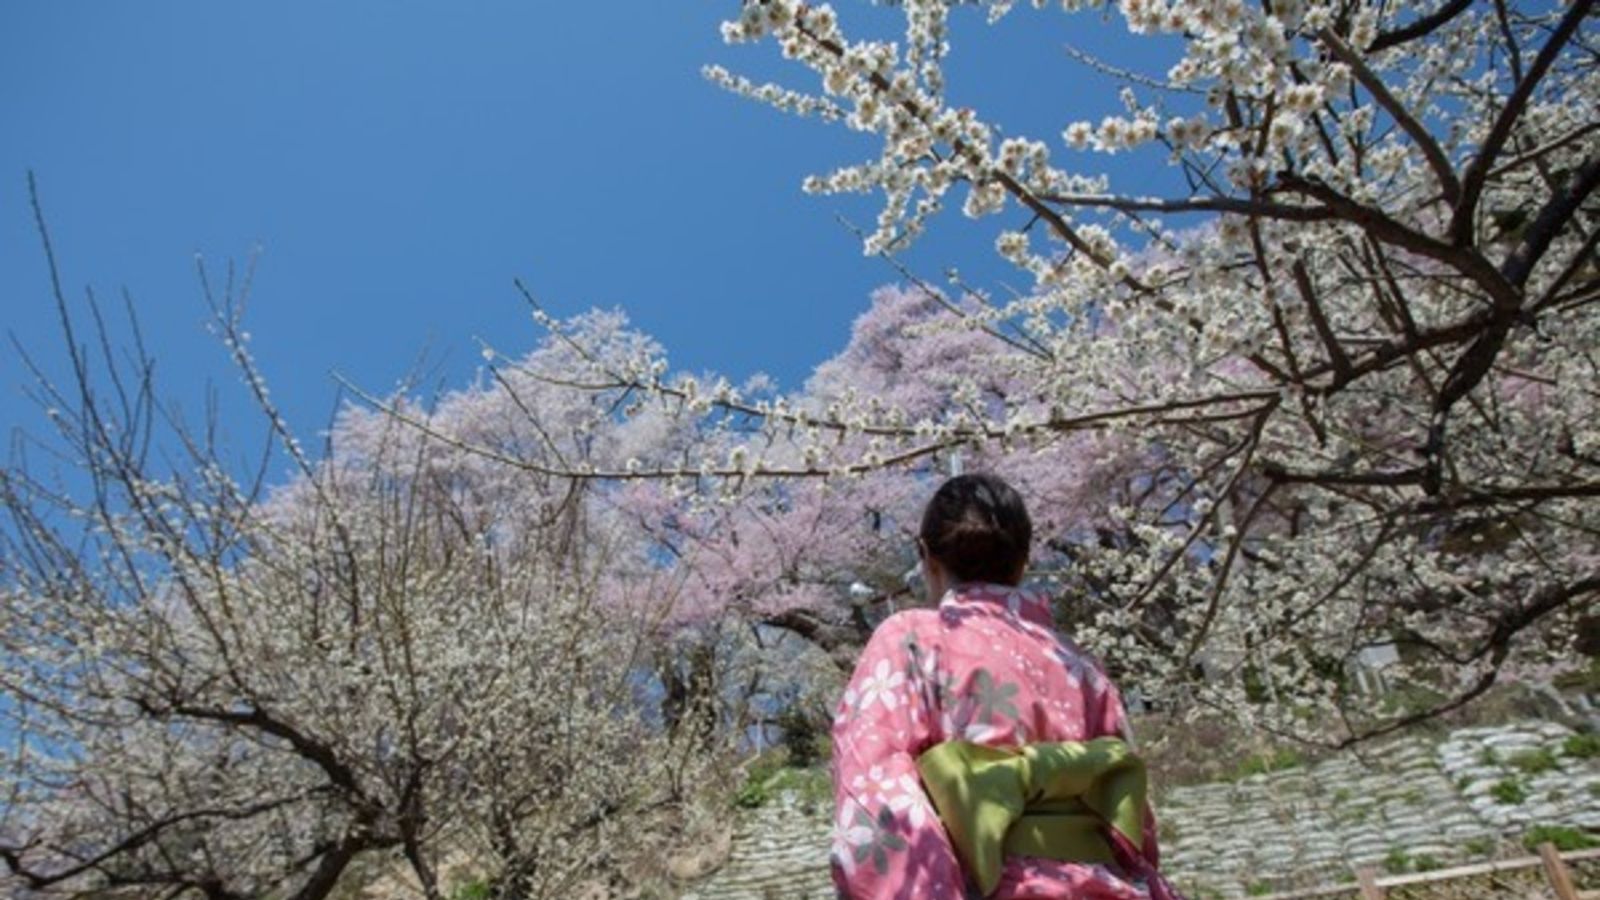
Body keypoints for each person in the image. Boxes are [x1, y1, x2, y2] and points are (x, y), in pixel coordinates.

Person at [829, 473, 1178, 899]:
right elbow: (1132, 815)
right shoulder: (1080, 662)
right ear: (1025, 559)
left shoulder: (910, 638)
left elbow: (876, 793)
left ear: (926, 557)